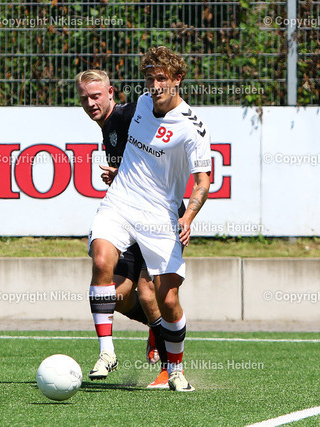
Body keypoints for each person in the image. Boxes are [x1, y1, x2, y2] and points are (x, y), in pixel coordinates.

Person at [87, 46, 211, 392]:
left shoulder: (192, 128)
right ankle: (107, 352)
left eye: (161, 79)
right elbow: (132, 151)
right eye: (150, 79)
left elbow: (203, 182)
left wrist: (188, 216)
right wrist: (119, 172)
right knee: (102, 261)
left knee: (165, 299)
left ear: (177, 79)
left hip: (160, 215)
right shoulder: (141, 105)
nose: (155, 86)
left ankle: (175, 370)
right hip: (120, 203)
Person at [75, 69, 172, 389]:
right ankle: (154, 329)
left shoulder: (129, 114)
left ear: (111, 93)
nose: (90, 103)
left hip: (158, 216)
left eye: (96, 96)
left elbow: (161, 150)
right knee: (115, 293)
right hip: (127, 215)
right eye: (84, 98)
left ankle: (168, 366)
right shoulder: (107, 128)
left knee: (148, 292)